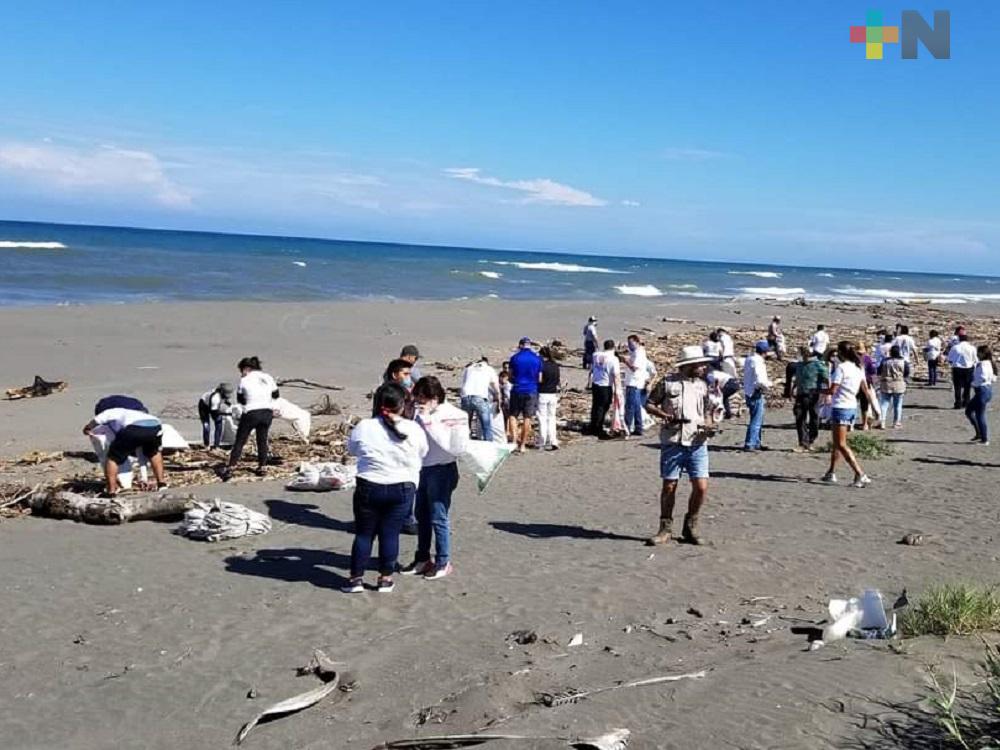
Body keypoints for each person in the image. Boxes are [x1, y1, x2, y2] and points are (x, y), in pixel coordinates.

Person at [343, 383, 428, 593]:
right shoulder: (413, 428)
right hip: (402, 487)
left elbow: (352, 450)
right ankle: (385, 578)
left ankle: (356, 579)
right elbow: (423, 452)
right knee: (390, 534)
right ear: (403, 405)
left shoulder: (364, 426)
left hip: (370, 485)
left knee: (364, 534)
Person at [645, 345, 720, 546]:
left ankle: (691, 526)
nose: (704, 367)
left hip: (697, 441)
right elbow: (649, 403)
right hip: (673, 440)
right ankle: (665, 528)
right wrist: (664, 415)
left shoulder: (703, 386)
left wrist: (709, 426)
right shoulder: (668, 383)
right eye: (700, 364)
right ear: (689, 365)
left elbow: (707, 412)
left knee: (701, 487)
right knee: (670, 486)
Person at [399, 376, 469, 580]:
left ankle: (443, 561)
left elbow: (453, 446)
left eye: (423, 398)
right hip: (421, 469)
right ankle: (422, 558)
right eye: (417, 398)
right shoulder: (417, 414)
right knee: (421, 516)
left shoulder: (456, 415)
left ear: (435, 397)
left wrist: (428, 419)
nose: (420, 402)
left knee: (439, 516)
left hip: (442, 469)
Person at [821, 341, 874, 488]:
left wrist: (815, 391)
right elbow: (865, 389)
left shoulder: (842, 368)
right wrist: (874, 408)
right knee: (837, 442)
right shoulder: (858, 368)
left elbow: (832, 390)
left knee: (841, 444)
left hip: (841, 406)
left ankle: (860, 473)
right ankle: (831, 472)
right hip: (851, 406)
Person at [82, 407, 167, 496]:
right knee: (154, 453)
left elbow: (96, 421)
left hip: (135, 428)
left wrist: (87, 428)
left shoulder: (111, 412)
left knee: (113, 458)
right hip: (156, 425)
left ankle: (111, 491)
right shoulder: (134, 412)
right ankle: (161, 484)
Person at [222, 357, 278, 480]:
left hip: (252, 412)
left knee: (240, 440)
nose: (241, 373)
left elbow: (240, 399)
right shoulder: (268, 377)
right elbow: (276, 394)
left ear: (246, 369)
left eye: (241, 370)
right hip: (267, 412)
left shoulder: (245, 380)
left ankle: (231, 467)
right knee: (262, 439)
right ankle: (262, 466)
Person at [508, 337, 543, 453]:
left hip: (517, 388)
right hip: (531, 389)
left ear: (521, 345)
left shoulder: (515, 358)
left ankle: (513, 441)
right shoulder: (537, 359)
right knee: (527, 417)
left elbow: (510, 376)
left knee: (513, 415)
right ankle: (522, 445)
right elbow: (540, 378)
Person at [792, 348, 829, 451]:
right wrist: (793, 388)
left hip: (813, 393)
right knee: (799, 417)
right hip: (801, 393)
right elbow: (798, 378)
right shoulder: (799, 365)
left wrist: (828, 393)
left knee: (814, 417)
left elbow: (826, 378)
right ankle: (803, 442)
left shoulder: (817, 364)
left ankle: (811, 439)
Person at [460, 357, 499, 441]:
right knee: (486, 425)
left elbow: (463, 383)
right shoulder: (489, 369)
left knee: (466, 423)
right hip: (480, 397)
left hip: (466, 396)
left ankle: (464, 442)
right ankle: (488, 444)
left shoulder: (469, 368)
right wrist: (498, 397)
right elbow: (495, 386)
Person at [742, 341, 772, 451]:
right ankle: (750, 443)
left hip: (748, 390)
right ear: (765, 351)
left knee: (757, 418)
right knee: (756, 419)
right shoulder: (758, 361)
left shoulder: (749, 358)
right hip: (756, 391)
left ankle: (757, 442)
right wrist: (768, 386)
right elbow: (760, 380)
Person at [589, 339, 620, 439]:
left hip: (596, 383)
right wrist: (617, 389)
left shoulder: (596, 355)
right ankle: (598, 427)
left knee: (595, 405)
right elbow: (616, 375)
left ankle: (593, 424)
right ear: (613, 347)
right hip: (605, 385)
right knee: (603, 406)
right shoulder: (613, 359)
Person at [623, 335, 651, 437]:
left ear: (637, 342)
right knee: (636, 406)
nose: (629, 345)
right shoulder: (637, 352)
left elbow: (634, 368)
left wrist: (625, 361)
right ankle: (638, 427)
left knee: (630, 406)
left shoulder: (639, 354)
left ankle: (627, 427)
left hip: (633, 382)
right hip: (637, 382)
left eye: (631, 343)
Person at [966, 346, 995, 446]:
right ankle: (979, 433)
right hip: (986, 390)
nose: (977, 354)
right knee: (969, 410)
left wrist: (972, 383)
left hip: (982, 390)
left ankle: (984, 439)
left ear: (983, 353)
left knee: (980, 415)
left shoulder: (983, 364)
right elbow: (993, 377)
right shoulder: (989, 363)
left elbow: (983, 378)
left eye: (978, 352)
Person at [537, 346, 562, 450]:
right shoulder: (555, 365)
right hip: (553, 394)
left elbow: (539, 379)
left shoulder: (542, 365)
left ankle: (542, 441)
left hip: (543, 393)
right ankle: (553, 440)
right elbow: (558, 380)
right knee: (552, 418)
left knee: (542, 418)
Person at [877, 345, 907, 429]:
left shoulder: (885, 361)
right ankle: (896, 422)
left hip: (886, 383)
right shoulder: (903, 361)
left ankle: (882, 422)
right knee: (898, 404)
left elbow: (878, 371)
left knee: (884, 404)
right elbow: (906, 372)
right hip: (899, 384)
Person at [198, 383, 233, 449]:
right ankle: (206, 445)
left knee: (219, 425)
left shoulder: (222, 395)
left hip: (213, 406)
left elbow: (225, 401)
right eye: (227, 394)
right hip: (203, 406)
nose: (228, 395)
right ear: (222, 392)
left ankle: (216, 445)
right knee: (206, 426)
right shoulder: (215, 398)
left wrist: (231, 406)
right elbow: (215, 412)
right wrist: (227, 414)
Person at [948, 331, 977, 409]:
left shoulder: (955, 347)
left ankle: (958, 403)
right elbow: (975, 359)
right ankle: (966, 401)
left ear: (959, 339)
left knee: (957, 387)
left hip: (957, 368)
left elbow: (950, 358)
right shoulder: (972, 348)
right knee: (967, 386)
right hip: (969, 368)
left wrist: (953, 363)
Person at [858, 339, 878, 431]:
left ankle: (850, 424)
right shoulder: (867, 358)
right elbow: (872, 371)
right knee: (865, 404)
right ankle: (865, 423)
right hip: (866, 383)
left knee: (854, 403)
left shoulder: (852, 359)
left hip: (854, 384)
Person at [498, 369, 514, 443]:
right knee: (505, 418)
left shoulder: (507, 385)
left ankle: (508, 432)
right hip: (506, 404)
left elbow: (508, 396)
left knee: (507, 418)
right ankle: (506, 432)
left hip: (508, 403)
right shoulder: (503, 385)